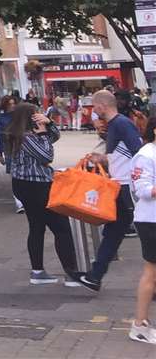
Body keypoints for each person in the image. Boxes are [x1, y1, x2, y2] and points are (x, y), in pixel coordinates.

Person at [3, 103, 80, 285]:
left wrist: (49, 124)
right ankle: (71, 273)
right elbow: (46, 156)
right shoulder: (27, 138)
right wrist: (44, 132)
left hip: (25, 185)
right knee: (61, 227)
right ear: (30, 118)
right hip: (36, 186)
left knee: (36, 226)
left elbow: (55, 137)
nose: (40, 116)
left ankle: (38, 272)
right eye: (37, 114)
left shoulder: (22, 135)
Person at [76, 89, 142, 291]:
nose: (93, 111)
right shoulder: (115, 125)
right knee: (114, 231)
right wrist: (103, 159)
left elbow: (138, 152)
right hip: (119, 186)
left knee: (132, 231)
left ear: (102, 106)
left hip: (127, 187)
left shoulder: (121, 124)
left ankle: (96, 275)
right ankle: (95, 275)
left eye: (94, 106)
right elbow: (123, 155)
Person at [127, 122, 156, 342]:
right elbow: (143, 190)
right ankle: (139, 325)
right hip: (150, 221)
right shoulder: (146, 155)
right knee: (151, 274)